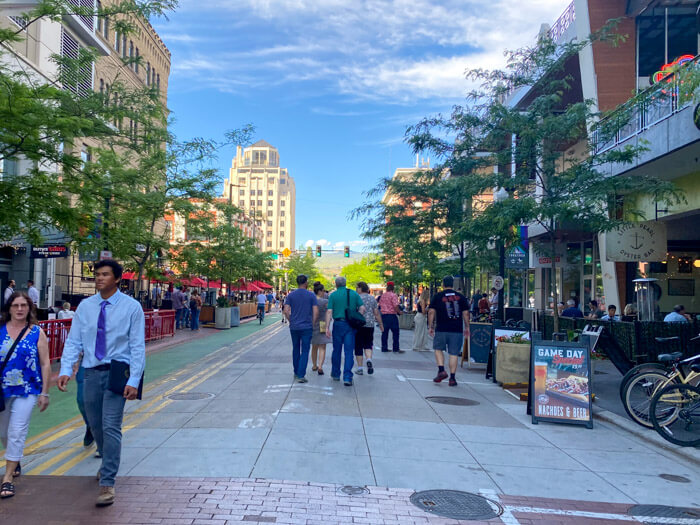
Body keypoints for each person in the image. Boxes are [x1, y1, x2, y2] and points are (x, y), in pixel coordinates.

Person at [57, 260, 145, 507]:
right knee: (94, 423)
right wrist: (66, 369)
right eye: (97, 274)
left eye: (105, 274)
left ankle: (107, 482)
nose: (99, 278)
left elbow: (137, 346)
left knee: (110, 426)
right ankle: (107, 459)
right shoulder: (85, 307)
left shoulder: (132, 308)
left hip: (119, 372)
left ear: (117, 278)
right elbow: (74, 341)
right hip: (91, 372)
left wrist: (135, 380)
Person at [0, 292, 51, 498]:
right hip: (2, 391)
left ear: (30, 308)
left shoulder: (37, 332)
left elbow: (45, 363)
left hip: (28, 389)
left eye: (24, 305)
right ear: (9, 308)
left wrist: (45, 392)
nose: (20, 309)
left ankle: (8, 477)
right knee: (3, 432)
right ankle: (15, 459)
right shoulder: (0, 330)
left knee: (17, 431)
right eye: (15, 305)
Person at [428, 276, 470, 387]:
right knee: (454, 353)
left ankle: (441, 370)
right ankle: (452, 378)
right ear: (453, 284)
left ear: (443, 284)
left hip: (441, 328)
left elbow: (431, 312)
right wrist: (467, 327)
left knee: (438, 349)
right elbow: (466, 313)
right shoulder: (460, 297)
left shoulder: (437, 296)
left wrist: (430, 326)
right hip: (456, 329)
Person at [325, 276, 364, 386]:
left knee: (336, 350)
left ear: (336, 284)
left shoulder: (333, 295)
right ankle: (347, 377)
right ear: (345, 283)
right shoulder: (354, 294)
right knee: (348, 351)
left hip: (338, 324)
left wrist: (327, 327)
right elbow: (362, 308)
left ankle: (336, 374)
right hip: (350, 325)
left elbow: (329, 311)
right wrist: (357, 316)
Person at [283, 276, 318, 383]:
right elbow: (315, 312)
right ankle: (301, 375)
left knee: (296, 348)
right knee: (305, 350)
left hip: (294, 327)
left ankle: (296, 372)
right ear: (306, 283)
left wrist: (291, 320)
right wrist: (312, 323)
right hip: (306, 326)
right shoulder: (311, 295)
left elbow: (286, 310)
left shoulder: (291, 295)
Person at [354, 281, 383, 375]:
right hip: (370, 325)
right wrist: (381, 324)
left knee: (358, 346)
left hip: (359, 325)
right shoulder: (372, 299)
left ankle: (360, 368)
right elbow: (376, 313)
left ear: (359, 288)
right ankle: (369, 359)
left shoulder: (356, 298)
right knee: (368, 344)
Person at [310, 282, 331, 375]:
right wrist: (327, 326)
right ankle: (320, 366)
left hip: (312, 324)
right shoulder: (325, 302)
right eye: (323, 291)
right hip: (322, 323)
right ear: (319, 291)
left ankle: (314, 365)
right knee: (322, 346)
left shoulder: (311, 301)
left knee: (314, 346)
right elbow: (329, 313)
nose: (324, 293)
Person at [377, 281, 402, 353]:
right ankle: (395, 348)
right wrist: (399, 312)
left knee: (384, 333)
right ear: (393, 287)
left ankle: (384, 348)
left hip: (384, 316)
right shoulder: (393, 295)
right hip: (392, 316)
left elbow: (380, 305)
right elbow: (395, 305)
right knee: (395, 332)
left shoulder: (383, 295)